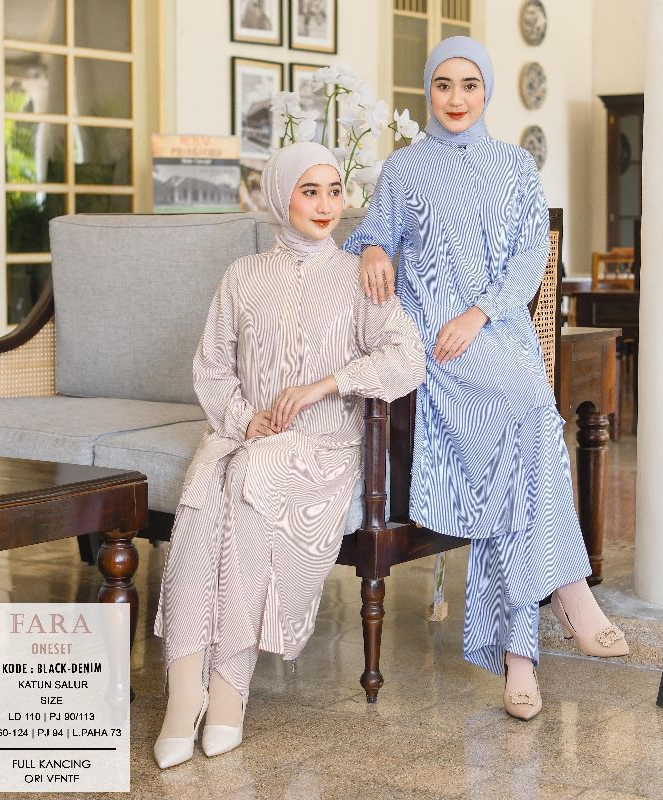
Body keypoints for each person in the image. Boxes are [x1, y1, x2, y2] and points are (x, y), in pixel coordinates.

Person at [344, 36, 628, 721]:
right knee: (532, 419)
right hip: (436, 345)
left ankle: (522, 656)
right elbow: (374, 234)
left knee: (520, 436)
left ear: (487, 91)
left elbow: (530, 259)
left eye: (469, 84)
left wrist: (479, 313)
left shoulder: (515, 166)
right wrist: (375, 246)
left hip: (495, 331)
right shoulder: (404, 169)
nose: (456, 98)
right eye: (443, 84)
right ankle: (567, 597)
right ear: (427, 91)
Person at [153, 141, 425, 768]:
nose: (326, 205)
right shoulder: (243, 276)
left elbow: (406, 357)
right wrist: (243, 419)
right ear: (281, 197)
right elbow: (212, 367)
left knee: (251, 485)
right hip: (246, 434)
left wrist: (325, 385)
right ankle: (184, 689)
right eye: (310, 191)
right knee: (202, 500)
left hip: (323, 445)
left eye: (334, 191)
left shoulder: (358, 275)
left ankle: (228, 690)